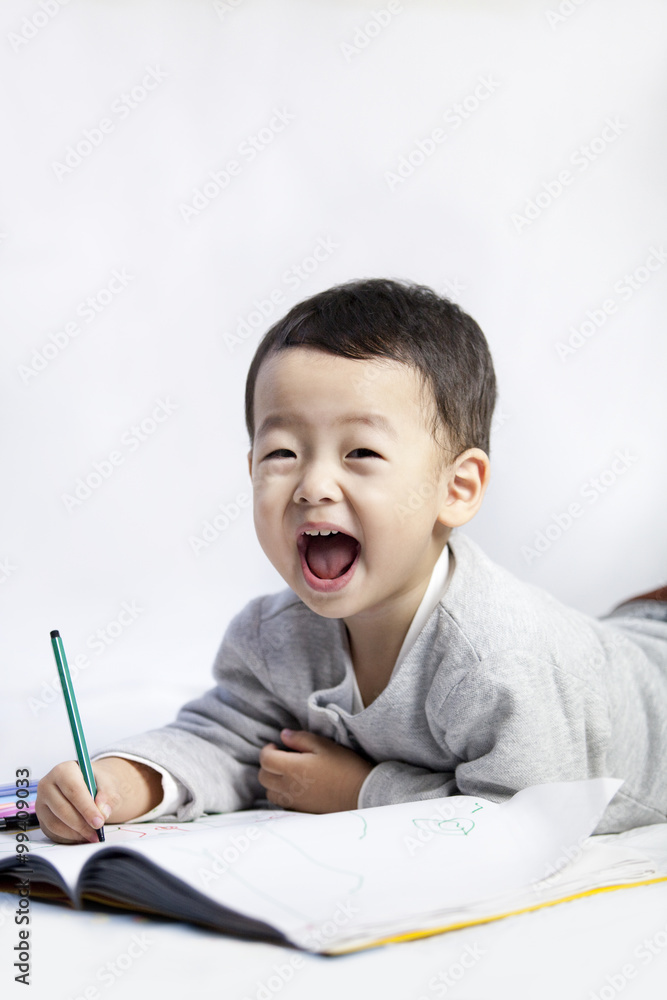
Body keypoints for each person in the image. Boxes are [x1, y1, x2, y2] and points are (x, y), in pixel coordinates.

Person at [36, 278, 667, 844]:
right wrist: (120, 783)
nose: (313, 485)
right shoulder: (274, 639)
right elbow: (224, 743)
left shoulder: (499, 660)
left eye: (360, 451)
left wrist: (360, 792)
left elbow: (528, 823)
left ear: (458, 488)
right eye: (281, 452)